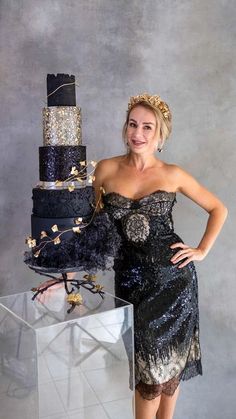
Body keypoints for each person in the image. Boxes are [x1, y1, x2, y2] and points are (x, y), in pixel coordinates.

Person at [93, 93, 228, 419]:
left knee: (167, 371)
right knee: (148, 378)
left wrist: (201, 250)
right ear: (125, 127)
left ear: (160, 136)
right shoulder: (105, 170)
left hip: (174, 282)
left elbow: (218, 208)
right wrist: (65, 275)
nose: (137, 133)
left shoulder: (173, 174)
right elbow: (89, 231)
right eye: (133, 124)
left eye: (147, 127)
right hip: (131, 285)